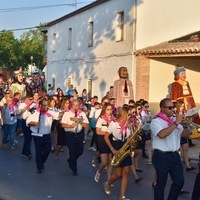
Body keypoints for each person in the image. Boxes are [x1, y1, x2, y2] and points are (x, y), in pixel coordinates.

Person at [150, 98, 187, 200]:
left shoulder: (175, 120)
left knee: (179, 181)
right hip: (161, 156)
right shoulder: (156, 121)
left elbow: (185, 135)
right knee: (160, 185)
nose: (173, 110)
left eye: (173, 107)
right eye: (170, 108)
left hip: (175, 155)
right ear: (162, 108)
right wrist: (175, 123)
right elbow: (161, 134)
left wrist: (186, 124)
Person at [104, 105, 132, 200]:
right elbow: (106, 137)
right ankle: (108, 183)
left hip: (126, 147)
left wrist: (131, 142)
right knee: (117, 174)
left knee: (126, 172)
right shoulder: (114, 124)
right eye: (128, 115)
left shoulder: (129, 124)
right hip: (116, 147)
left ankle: (122, 196)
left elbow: (130, 137)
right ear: (124, 114)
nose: (130, 117)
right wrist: (112, 149)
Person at [26, 99, 61, 174]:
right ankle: (39, 167)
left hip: (47, 135)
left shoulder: (50, 112)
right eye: (44, 105)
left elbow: (59, 115)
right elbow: (28, 122)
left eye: (47, 105)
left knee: (47, 150)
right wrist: (34, 123)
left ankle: (41, 162)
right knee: (38, 151)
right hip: (37, 135)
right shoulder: (35, 112)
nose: (46, 107)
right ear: (40, 105)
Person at [61, 99, 89, 176]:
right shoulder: (67, 114)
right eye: (74, 105)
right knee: (72, 151)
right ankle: (74, 169)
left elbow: (86, 125)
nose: (75, 107)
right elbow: (63, 124)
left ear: (79, 105)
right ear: (71, 105)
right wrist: (70, 125)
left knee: (80, 150)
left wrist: (80, 122)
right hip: (70, 134)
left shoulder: (82, 114)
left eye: (77, 105)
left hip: (79, 134)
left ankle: (71, 160)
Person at [94, 103, 114, 183]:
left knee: (110, 161)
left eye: (111, 109)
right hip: (102, 140)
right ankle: (99, 171)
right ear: (104, 110)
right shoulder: (101, 119)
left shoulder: (113, 119)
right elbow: (98, 131)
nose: (110, 111)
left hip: (111, 140)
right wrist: (107, 133)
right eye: (108, 109)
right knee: (104, 162)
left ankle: (109, 180)